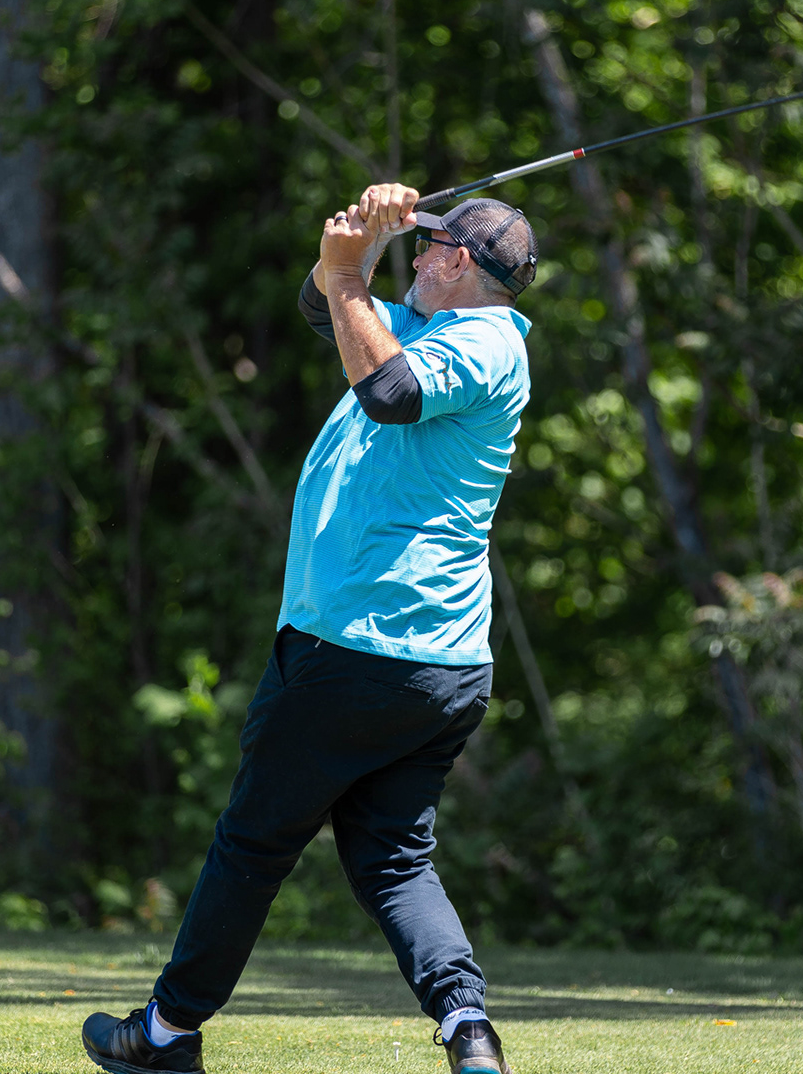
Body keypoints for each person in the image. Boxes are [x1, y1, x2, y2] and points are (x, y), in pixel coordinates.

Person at [81, 183, 539, 1074]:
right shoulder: (421, 324)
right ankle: (468, 1031)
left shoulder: (486, 342)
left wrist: (351, 274)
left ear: (456, 261)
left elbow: (389, 393)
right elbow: (323, 308)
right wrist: (356, 247)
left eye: (428, 245)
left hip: (361, 648)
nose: (418, 257)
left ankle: (165, 1034)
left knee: (253, 842)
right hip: (430, 663)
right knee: (393, 860)